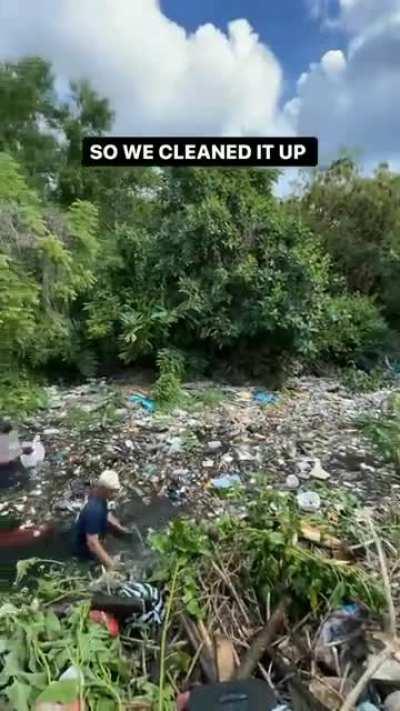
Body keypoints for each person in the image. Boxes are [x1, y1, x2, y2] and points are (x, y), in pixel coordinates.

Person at [74, 469, 130, 570]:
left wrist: (120, 528)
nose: (114, 494)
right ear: (103, 489)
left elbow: (107, 513)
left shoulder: (98, 496)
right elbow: (92, 543)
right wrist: (112, 566)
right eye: (112, 491)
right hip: (85, 553)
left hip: (96, 536)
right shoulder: (94, 510)